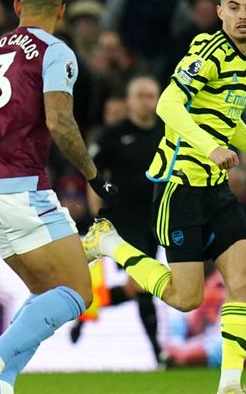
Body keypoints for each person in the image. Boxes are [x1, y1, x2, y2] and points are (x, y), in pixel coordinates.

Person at [81, 0, 246, 394]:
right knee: (186, 298)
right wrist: (208, 148)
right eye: (233, 7)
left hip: (217, 189)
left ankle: (231, 386)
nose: (241, 15)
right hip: (179, 185)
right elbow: (168, 103)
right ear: (220, 12)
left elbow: (231, 125)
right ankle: (108, 243)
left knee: (243, 280)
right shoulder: (208, 51)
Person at [0, 0, 118, 394]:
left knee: (47, 292)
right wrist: (94, 177)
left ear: (17, 8)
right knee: (78, 291)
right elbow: (59, 121)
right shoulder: (55, 51)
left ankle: (2, 381)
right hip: (20, 186)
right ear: (62, 10)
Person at [70, 76, 168, 367]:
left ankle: (85, 313)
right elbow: (93, 175)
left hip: (160, 218)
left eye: (151, 95)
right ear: (129, 100)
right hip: (125, 220)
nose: (146, 101)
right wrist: (97, 215)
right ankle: (158, 353)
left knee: (135, 287)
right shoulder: (113, 135)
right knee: (142, 283)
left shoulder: (168, 132)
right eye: (140, 95)